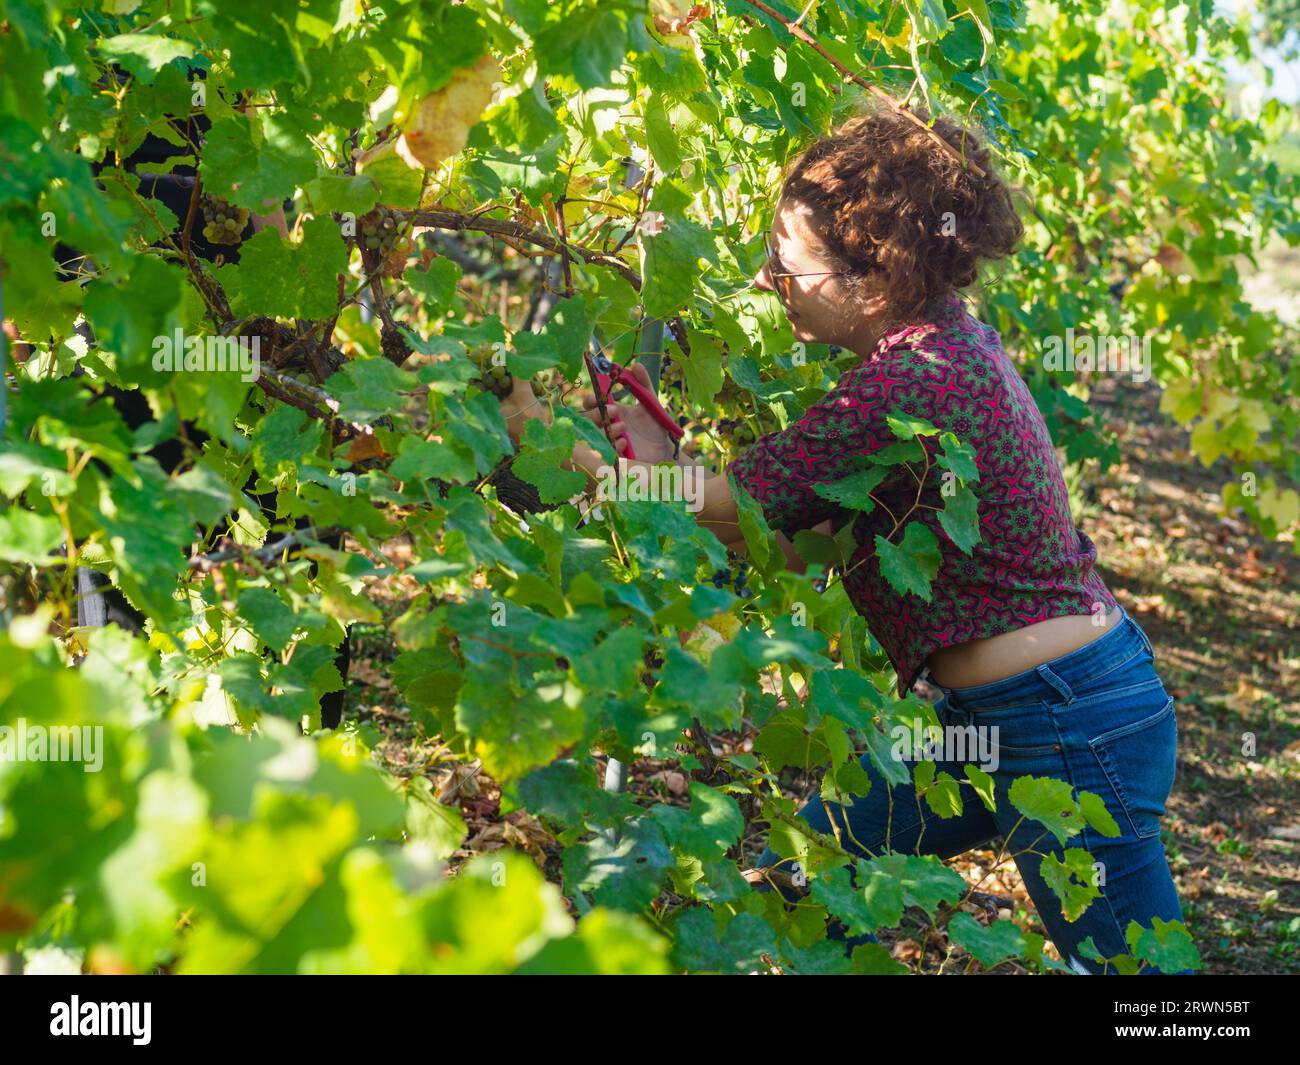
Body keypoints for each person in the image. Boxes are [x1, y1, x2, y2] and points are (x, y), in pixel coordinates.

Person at [496, 102, 1190, 974]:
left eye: (784, 266)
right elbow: (782, 540)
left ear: (870, 279)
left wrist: (564, 454)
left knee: (1151, 990)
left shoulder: (912, 380)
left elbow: (738, 503)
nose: (764, 282)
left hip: (1070, 724)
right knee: (817, 879)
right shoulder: (931, 353)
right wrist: (664, 458)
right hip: (993, 721)